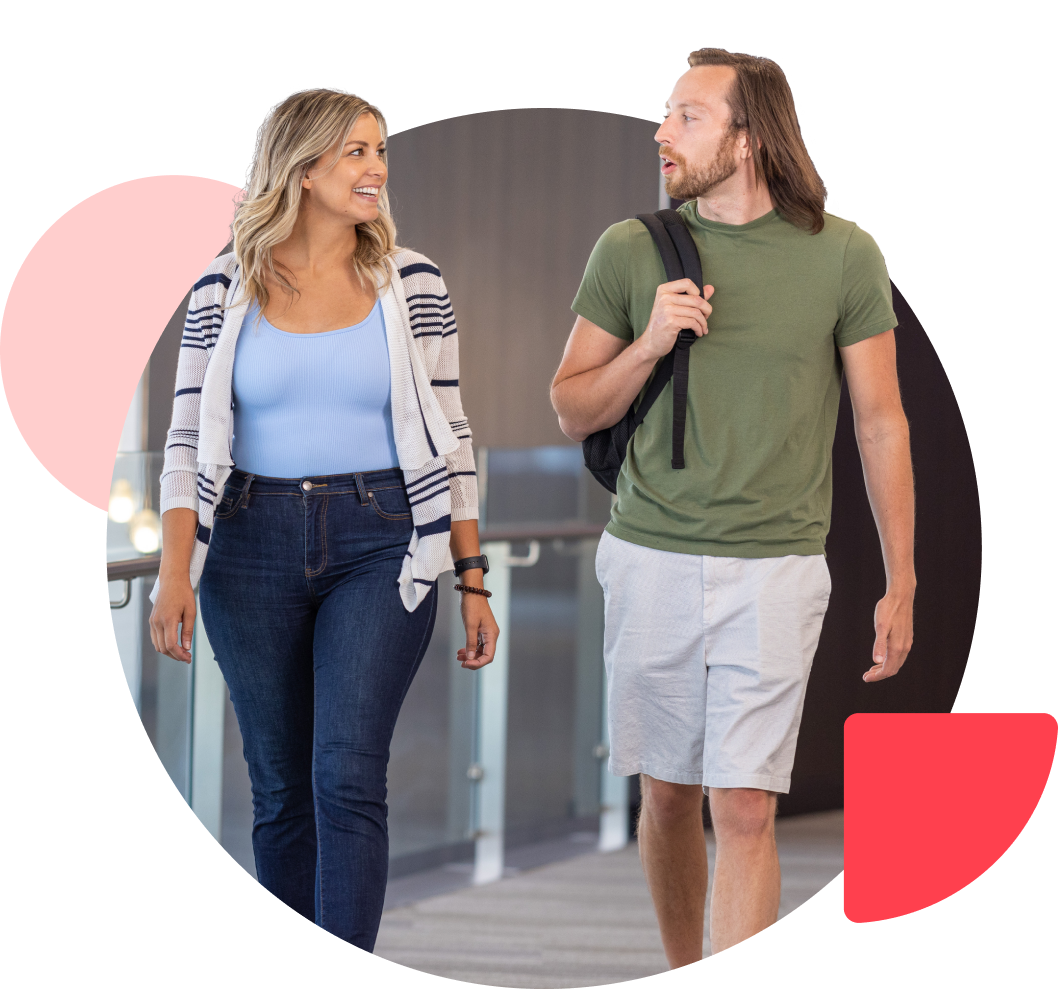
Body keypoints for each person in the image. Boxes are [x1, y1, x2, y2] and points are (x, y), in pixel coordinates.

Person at [551, 49, 914, 964]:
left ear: (748, 140)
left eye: (688, 116)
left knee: (745, 805)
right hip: (650, 556)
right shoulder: (631, 249)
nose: (663, 133)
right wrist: (647, 344)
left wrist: (901, 579)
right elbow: (569, 407)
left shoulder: (844, 254)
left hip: (779, 566)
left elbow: (880, 425)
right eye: (665, 114)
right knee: (669, 796)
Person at [147, 87, 499, 951]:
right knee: (279, 787)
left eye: (380, 151)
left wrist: (473, 576)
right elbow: (187, 434)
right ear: (302, 170)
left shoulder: (413, 280)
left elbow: (453, 434)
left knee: (347, 777)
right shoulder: (221, 285)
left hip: (383, 538)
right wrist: (171, 571)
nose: (376, 168)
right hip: (248, 542)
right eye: (355, 152)